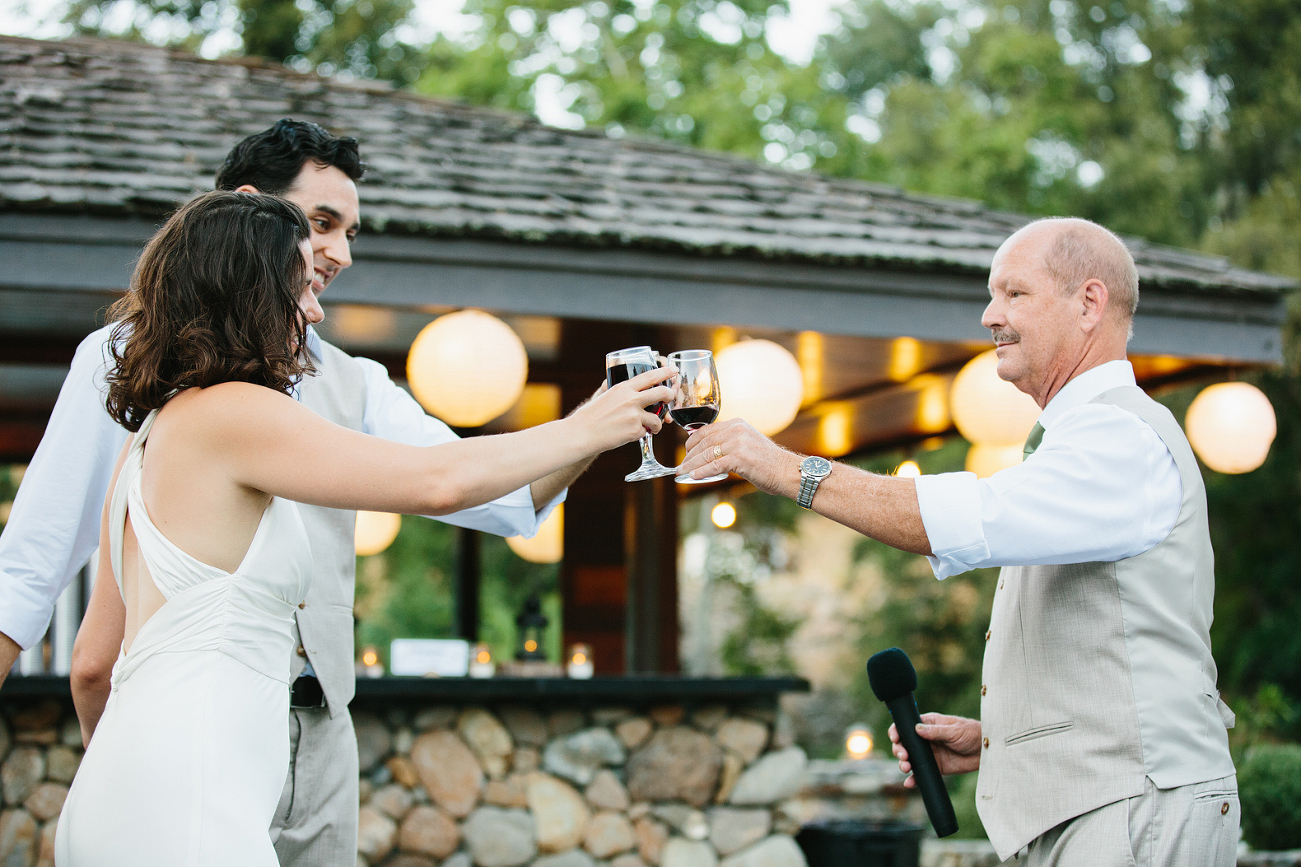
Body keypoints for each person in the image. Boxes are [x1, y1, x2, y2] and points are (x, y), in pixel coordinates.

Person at [0, 119, 594, 865]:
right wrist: (592, 423)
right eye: (320, 225)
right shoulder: (130, 367)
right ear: (253, 216)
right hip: (201, 749)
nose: (339, 257)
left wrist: (592, 433)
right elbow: (29, 563)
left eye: (349, 231)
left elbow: (499, 494)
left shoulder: (332, 384)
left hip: (305, 738)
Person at [678, 217, 1239, 865]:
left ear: (1089, 303)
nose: (988, 314)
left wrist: (782, 468)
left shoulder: (1122, 438)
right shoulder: (1085, 439)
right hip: (1109, 805)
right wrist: (1007, 740)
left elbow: (969, 518)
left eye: (1013, 293)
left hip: (1136, 806)